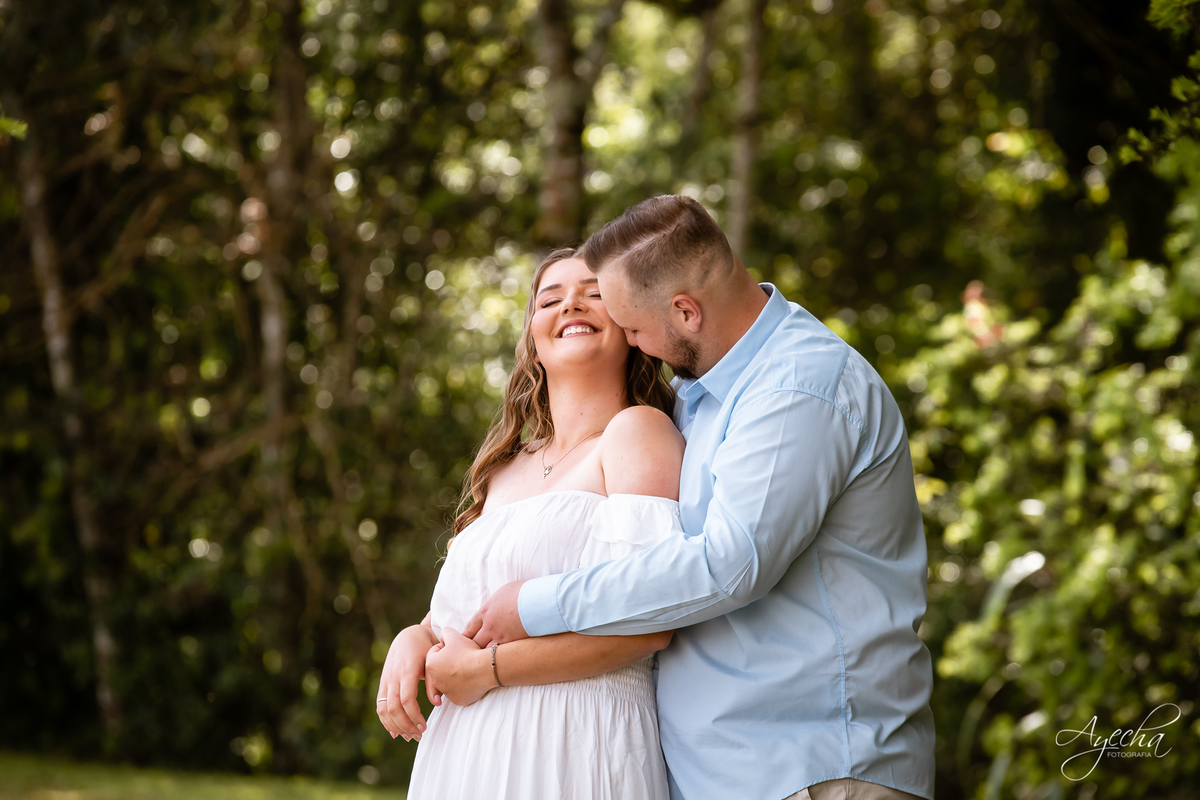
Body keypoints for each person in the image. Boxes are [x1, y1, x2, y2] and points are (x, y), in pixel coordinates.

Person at [466, 195, 936, 800]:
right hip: (725, 770)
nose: (636, 344)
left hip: (814, 768)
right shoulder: (701, 395)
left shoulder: (798, 386)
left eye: (634, 328)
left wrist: (537, 605)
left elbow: (728, 564)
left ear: (685, 312)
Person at [376, 248, 687, 799]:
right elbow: (466, 616)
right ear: (533, 340)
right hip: (465, 754)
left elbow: (650, 619)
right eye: (551, 299)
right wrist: (414, 637)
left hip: (576, 742)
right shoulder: (504, 468)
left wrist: (488, 671)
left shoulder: (637, 433)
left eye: (594, 294)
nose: (571, 305)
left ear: (629, 324)